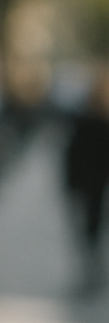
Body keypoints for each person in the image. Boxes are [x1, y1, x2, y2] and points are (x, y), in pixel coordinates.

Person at [64, 68, 109, 292]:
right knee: (91, 228)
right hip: (91, 185)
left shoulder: (84, 120)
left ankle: (93, 271)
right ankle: (93, 271)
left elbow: (71, 155)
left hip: (90, 185)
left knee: (90, 229)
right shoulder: (85, 120)